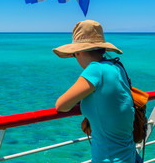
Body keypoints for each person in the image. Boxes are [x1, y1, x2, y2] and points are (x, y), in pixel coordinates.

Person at [53, 20, 140, 163]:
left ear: (78, 52)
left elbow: (61, 105)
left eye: (74, 55)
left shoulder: (95, 70)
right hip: (129, 155)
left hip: (110, 159)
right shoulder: (117, 66)